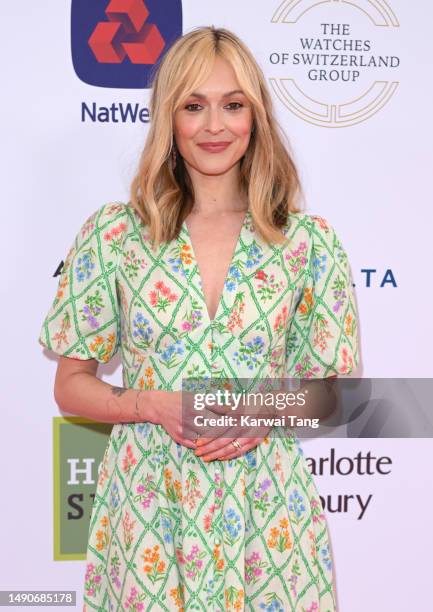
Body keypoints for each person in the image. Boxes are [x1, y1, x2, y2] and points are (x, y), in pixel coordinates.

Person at [39, 26, 359, 612]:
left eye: (233, 105)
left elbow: (333, 394)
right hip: (148, 511)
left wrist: (263, 410)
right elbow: (70, 384)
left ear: (255, 116)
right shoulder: (114, 235)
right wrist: (150, 404)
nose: (215, 126)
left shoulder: (309, 243)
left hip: (268, 514)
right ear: (169, 119)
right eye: (194, 106)